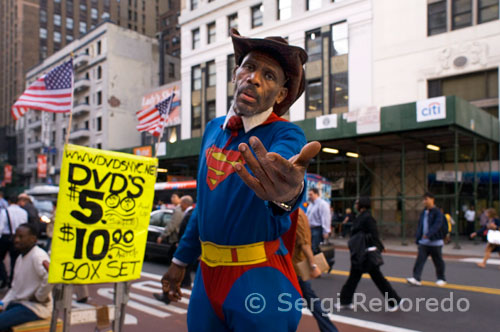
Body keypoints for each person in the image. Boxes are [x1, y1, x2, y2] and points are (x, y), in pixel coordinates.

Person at [162, 28, 320, 332]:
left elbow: (285, 170)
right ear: (236, 73)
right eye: (249, 66)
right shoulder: (212, 129)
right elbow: (204, 205)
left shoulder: (285, 135)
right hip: (205, 281)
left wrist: (287, 194)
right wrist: (181, 260)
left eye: (270, 76)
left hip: (258, 279)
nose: (255, 78)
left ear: (282, 94)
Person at [337, 197, 401, 311]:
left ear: (362, 205)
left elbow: (374, 234)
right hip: (361, 252)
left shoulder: (367, 218)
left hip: (364, 253)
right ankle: (394, 300)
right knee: (362, 278)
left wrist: (379, 247)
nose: (355, 205)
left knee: (366, 278)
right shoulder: (362, 216)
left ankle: (394, 301)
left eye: (357, 203)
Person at [292, 209, 338, 332]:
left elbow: (305, 245)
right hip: (292, 265)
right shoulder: (294, 212)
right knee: (310, 300)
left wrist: (313, 265)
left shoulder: (298, 215)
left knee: (311, 300)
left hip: (296, 267)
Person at [0, 223, 53, 329]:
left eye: (21, 237)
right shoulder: (20, 258)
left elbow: (50, 276)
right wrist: (2, 304)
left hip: (35, 308)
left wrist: (40, 296)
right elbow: (15, 289)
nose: (16, 240)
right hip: (21, 304)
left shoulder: (38, 256)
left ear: (33, 239)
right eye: (16, 236)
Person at [154, 196, 195, 304]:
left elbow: (175, 226)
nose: (180, 205)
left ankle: (167, 295)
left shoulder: (185, 212)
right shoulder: (191, 212)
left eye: (181, 202)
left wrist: (179, 261)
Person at [407, 192, 447, 287]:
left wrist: (429, 234)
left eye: (426, 199)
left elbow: (437, 225)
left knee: (438, 261)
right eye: (423, 199)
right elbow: (420, 226)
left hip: (435, 242)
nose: (424, 201)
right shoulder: (424, 212)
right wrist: (418, 238)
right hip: (424, 242)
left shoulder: (437, 212)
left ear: (432, 199)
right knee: (420, 260)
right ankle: (416, 278)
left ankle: (441, 278)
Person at [0, 196, 28, 288]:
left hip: (6, 237)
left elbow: (1, 226)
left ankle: (4, 277)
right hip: (18, 237)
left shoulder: (5, 211)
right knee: (15, 260)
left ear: (9, 201)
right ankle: (12, 281)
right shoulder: (23, 212)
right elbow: (25, 226)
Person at [306, 188, 331, 254]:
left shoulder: (322, 204)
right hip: (310, 229)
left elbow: (325, 218)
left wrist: (326, 231)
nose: (309, 196)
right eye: (309, 194)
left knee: (315, 249)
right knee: (311, 248)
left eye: (311, 194)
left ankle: (318, 263)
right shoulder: (311, 204)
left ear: (316, 194)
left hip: (317, 230)